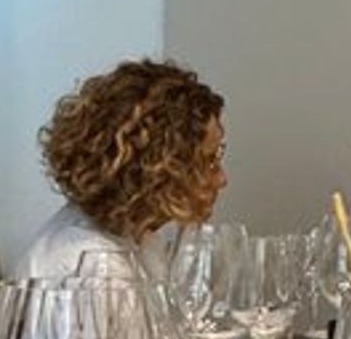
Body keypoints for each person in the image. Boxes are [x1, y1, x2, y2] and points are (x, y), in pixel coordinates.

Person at [19, 59, 226, 279]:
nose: (222, 179)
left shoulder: (135, 238)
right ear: (158, 171)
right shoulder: (98, 266)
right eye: (209, 161)